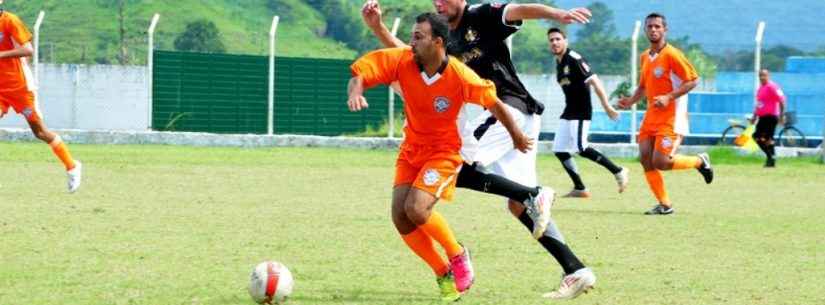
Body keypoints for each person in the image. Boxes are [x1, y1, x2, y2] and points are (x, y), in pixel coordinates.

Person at [362, 0, 596, 299]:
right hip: (514, 119)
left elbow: (519, 10)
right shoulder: (442, 36)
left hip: (509, 109)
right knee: (517, 205)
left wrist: (557, 14)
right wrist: (379, 28)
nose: (438, 3)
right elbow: (411, 53)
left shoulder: (481, 14)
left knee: (454, 161)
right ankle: (575, 269)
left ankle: (534, 194)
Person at [348, 12, 533, 302]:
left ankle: (458, 253)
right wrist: (355, 93)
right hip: (411, 151)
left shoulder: (459, 75)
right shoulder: (402, 60)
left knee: (417, 209)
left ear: (437, 42)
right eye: (411, 36)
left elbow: (494, 103)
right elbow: (361, 75)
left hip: (444, 153)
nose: (411, 42)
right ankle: (441, 271)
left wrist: (517, 136)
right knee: (401, 218)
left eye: (418, 37)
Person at [617, 13, 713, 215]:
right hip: (651, 116)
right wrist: (630, 101)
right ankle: (665, 205)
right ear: (645, 30)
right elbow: (643, 87)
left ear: (664, 30)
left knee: (661, 162)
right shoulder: (645, 56)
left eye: (657, 26)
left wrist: (669, 97)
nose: (653, 30)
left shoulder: (672, 54)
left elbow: (693, 80)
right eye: (650, 26)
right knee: (645, 159)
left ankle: (699, 161)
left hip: (671, 117)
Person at [0, 2, 82, 193]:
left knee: (40, 133)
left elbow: (28, 50)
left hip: (21, 87)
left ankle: (72, 166)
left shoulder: (10, 21)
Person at [547, 27, 629, 198]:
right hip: (568, 110)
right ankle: (580, 188)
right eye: (551, 40)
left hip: (581, 111)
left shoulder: (574, 58)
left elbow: (594, 81)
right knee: (559, 149)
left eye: (558, 39)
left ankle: (618, 171)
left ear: (565, 41)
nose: (554, 42)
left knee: (580, 147)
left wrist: (607, 107)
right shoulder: (559, 62)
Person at [751, 69, 786, 167]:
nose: (762, 77)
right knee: (757, 137)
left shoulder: (772, 86)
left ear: (768, 76)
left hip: (771, 116)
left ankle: (771, 159)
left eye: (764, 75)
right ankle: (771, 157)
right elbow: (759, 105)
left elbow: (782, 100)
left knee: (768, 139)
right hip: (762, 117)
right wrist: (754, 116)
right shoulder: (760, 88)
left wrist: (782, 115)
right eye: (760, 76)